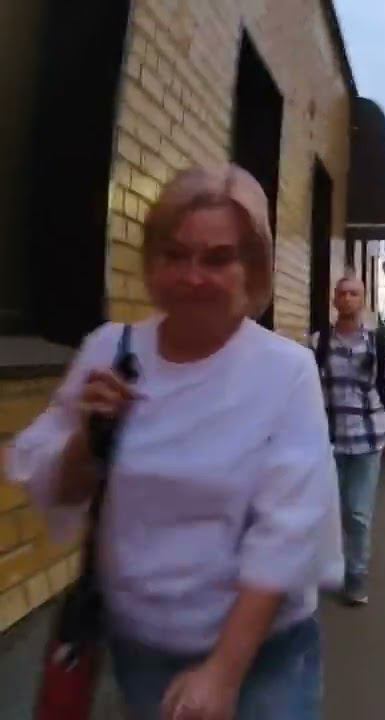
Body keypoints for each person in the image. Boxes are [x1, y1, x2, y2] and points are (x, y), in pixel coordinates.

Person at [4, 165, 341, 719]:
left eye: (217, 259)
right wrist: (86, 441)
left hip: (262, 659)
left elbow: (288, 531)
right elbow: (60, 489)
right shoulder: (110, 350)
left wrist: (223, 672)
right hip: (139, 649)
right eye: (175, 254)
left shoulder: (285, 371)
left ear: (253, 267)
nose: (192, 277)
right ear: (151, 260)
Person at [312, 275, 385, 606]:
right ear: (334, 300)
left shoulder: (378, 344)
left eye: (354, 293)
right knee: (325, 512)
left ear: (363, 300)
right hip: (329, 441)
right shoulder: (319, 342)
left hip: (368, 440)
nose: (348, 298)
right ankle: (324, 571)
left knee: (358, 514)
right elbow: (308, 392)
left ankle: (356, 578)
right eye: (342, 293)